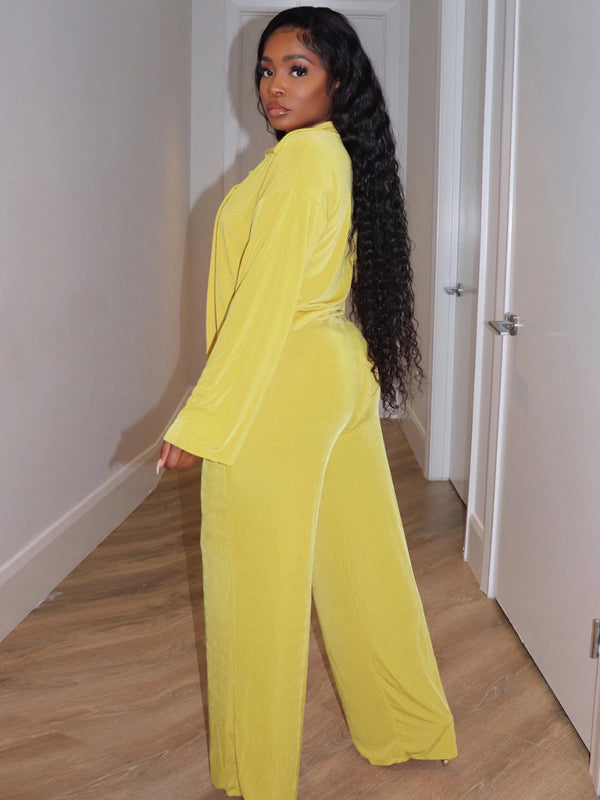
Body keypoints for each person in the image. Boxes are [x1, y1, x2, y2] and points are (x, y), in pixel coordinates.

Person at [158, 7, 457, 799]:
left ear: (337, 79)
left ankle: (255, 777)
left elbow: (261, 305)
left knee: (255, 588)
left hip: (282, 383)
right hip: (337, 368)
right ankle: (408, 725)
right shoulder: (339, 156)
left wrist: (203, 419)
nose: (274, 86)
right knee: (366, 566)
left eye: (297, 69)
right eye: (266, 70)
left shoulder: (299, 163)